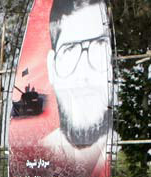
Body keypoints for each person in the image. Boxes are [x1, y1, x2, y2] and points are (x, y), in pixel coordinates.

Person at [44, 0, 111, 165]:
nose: (83, 75)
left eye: (98, 45)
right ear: (52, 68)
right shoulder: (35, 152)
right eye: (70, 50)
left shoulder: (121, 146)